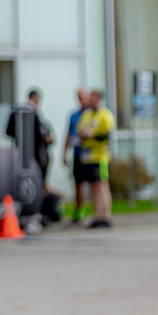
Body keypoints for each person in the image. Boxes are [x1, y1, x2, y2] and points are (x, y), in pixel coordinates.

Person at [77, 90, 114, 228]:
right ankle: (98, 215)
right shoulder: (86, 114)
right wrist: (83, 134)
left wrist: (93, 134)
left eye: (94, 98)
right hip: (88, 157)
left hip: (101, 157)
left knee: (102, 185)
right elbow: (79, 130)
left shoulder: (105, 115)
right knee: (93, 187)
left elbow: (107, 134)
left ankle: (106, 216)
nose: (92, 101)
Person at [65, 88, 91, 224]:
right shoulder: (74, 115)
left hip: (90, 154)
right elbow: (69, 134)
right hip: (77, 153)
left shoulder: (93, 114)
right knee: (78, 184)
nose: (82, 99)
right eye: (80, 97)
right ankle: (79, 211)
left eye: (84, 96)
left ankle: (97, 212)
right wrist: (64, 153)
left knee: (93, 184)